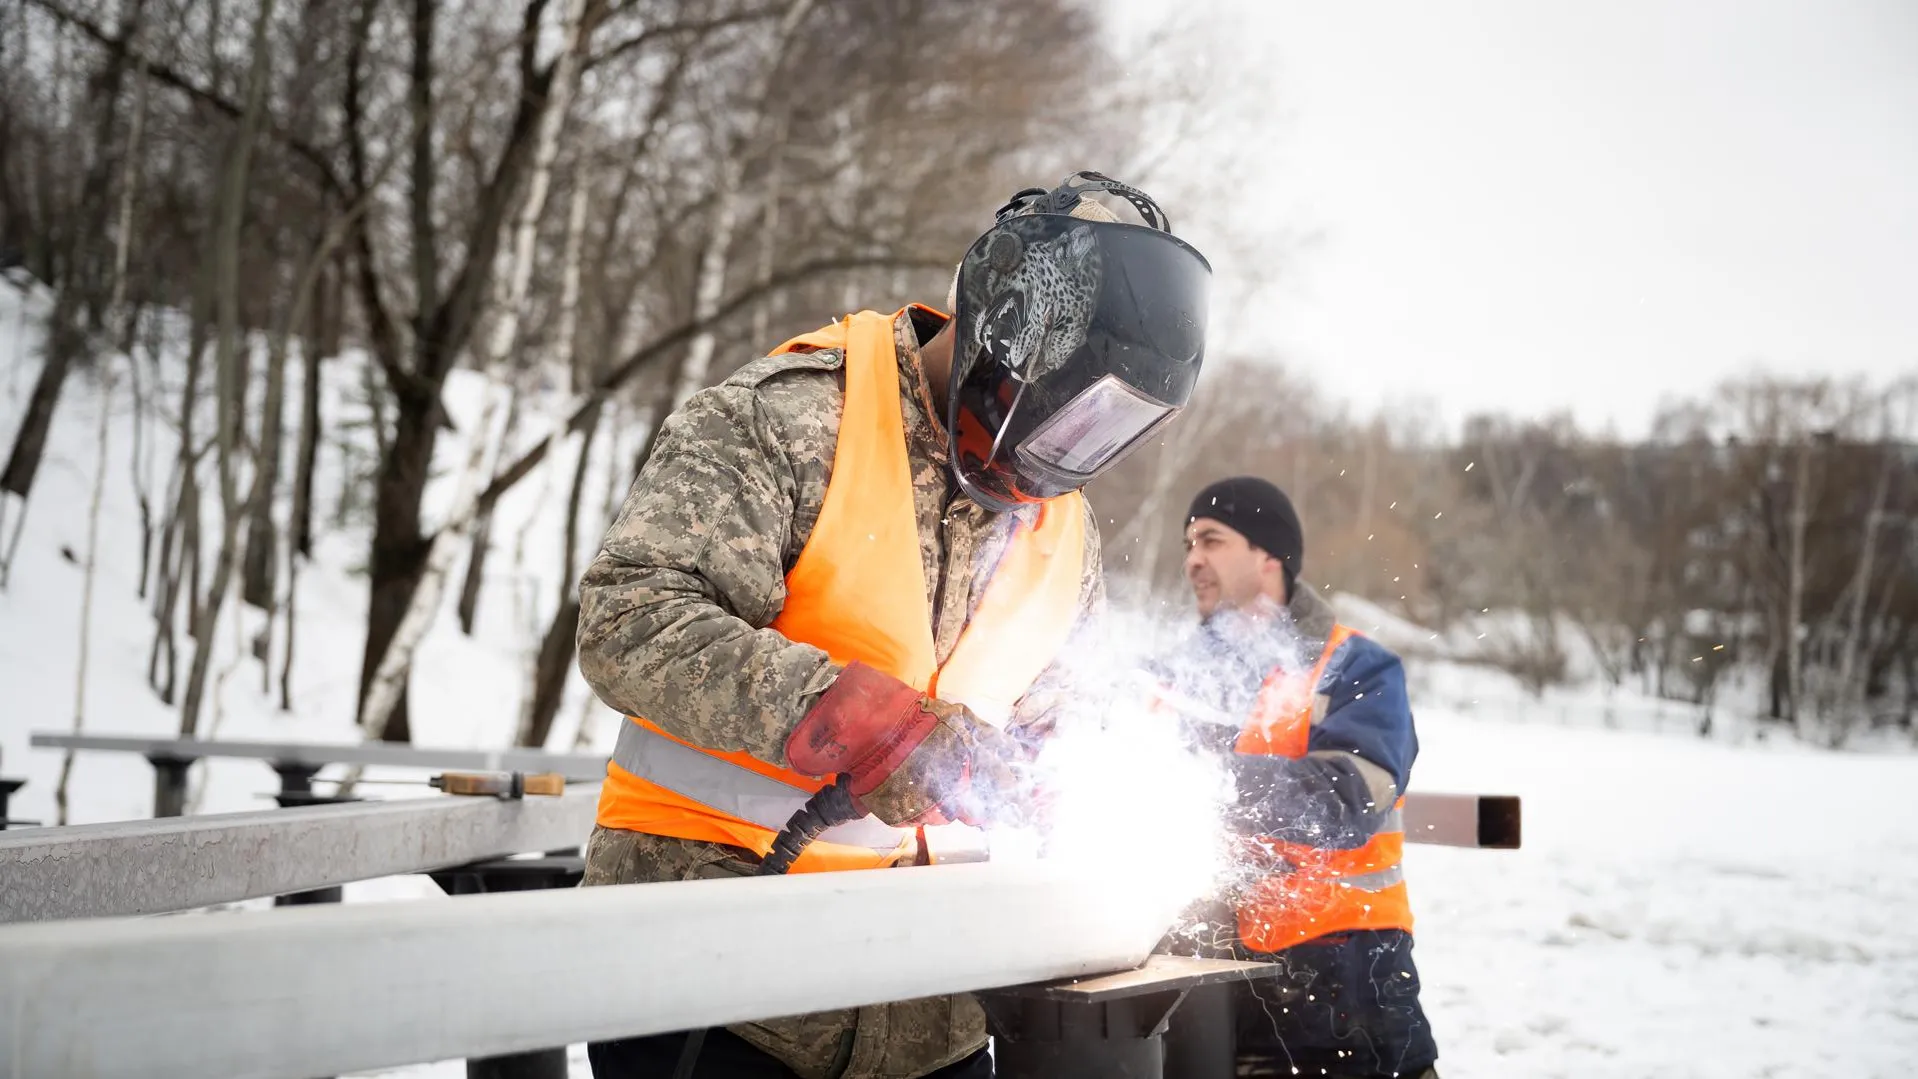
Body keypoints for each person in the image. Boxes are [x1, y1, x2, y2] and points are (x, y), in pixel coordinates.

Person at [573, 171, 1213, 1079]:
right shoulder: (790, 417)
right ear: (995, 326)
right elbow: (628, 616)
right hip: (709, 978)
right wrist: (851, 716)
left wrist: (1072, 786)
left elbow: (1058, 725)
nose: (1038, 461)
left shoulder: (1063, 523)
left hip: (934, 1009)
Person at [1151, 476, 1439, 1079]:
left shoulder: (1356, 666)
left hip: (1345, 984)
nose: (1193, 560)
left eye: (1211, 539)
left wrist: (1209, 781)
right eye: (1187, 545)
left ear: (1268, 555)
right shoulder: (1177, 674)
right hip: (1206, 979)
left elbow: (1348, 797)